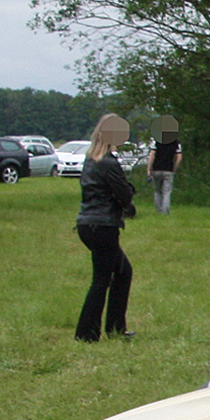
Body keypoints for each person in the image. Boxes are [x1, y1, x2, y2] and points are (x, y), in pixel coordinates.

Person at [75, 114, 136, 342]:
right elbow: (124, 193)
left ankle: (116, 328)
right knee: (101, 280)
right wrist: (127, 202)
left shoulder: (91, 159)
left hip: (88, 224)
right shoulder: (109, 162)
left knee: (122, 273)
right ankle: (86, 333)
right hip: (102, 226)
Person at [147, 117, 182, 214]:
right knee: (167, 192)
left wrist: (149, 169)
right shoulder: (176, 142)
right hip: (168, 169)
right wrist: (175, 168)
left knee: (157, 191)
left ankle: (158, 210)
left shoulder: (156, 141)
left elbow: (152, 155)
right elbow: (179, 157)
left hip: (156, 169)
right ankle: (165, 212)